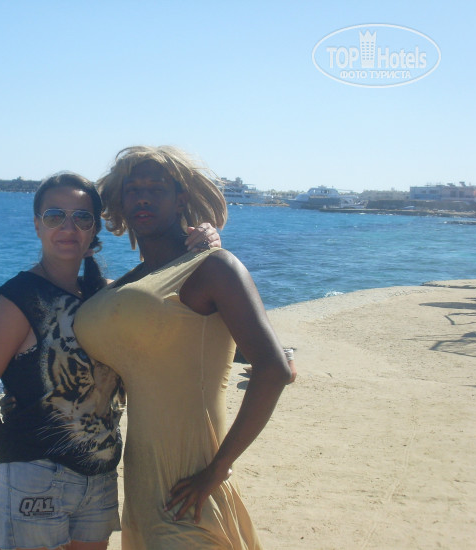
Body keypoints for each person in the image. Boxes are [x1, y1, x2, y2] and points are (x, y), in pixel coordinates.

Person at [0, 172, 220, 550]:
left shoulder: (107, 298)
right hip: (35, 476)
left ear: (94, 229)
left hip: (100, 477)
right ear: (37, 225)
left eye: (81, 217)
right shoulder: (19, 298)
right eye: (54, 216)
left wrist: (204, 242)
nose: (68, 227)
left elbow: (169, 295)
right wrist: (15, 458)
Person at [74, 146, 292, 549]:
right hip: (140, 486)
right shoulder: (131, 282)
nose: (142, 198)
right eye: (133, 189)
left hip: (192, 484)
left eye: (156, 189)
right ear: (121, 202)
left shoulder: (213, 266)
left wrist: (217, 470)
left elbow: (275, 369)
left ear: (180, 200)